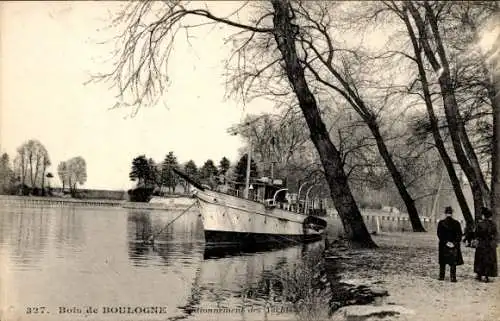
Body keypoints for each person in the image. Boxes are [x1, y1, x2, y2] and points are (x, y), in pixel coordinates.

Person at [437, 206, 464, 282]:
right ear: (452, 213)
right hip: (453, 245)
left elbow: (439, 234)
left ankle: (441, 276)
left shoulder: (441, 223)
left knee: (443, 261)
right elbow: (459, 235)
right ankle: (453, 277)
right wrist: (454, 243)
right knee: (453, 262)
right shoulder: (457, 223)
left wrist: (446, 242)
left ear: (445, 213)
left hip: (443, 245)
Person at [473, 207, 498, 282]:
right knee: (489, 260)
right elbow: (496, 234)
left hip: (482, 244)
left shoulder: (480, 224)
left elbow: (476, 234)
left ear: (483, 215)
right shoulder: (493, 224)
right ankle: (487, 276)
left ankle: (479, 275)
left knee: (480, 259)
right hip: (490, 244)